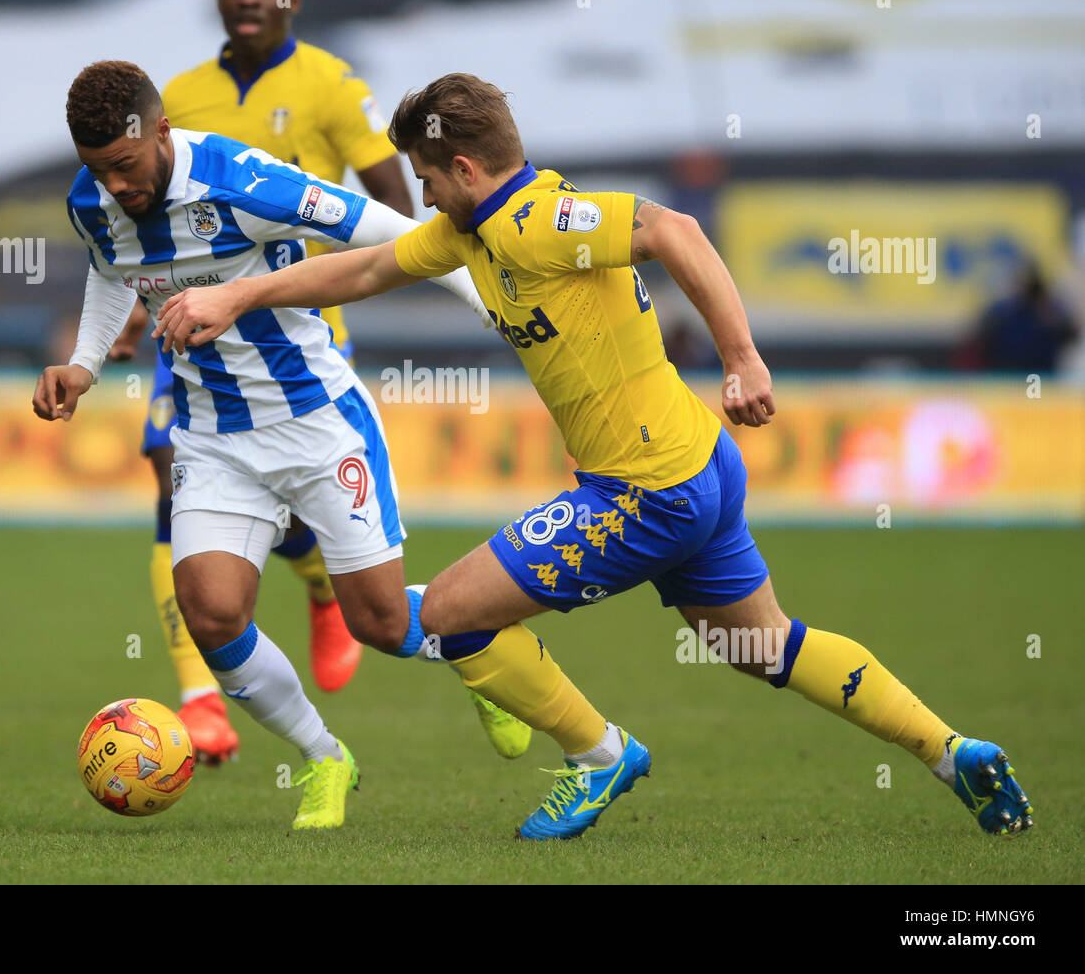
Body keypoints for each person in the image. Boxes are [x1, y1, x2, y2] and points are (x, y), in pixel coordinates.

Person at [154, 72, 1035, 839]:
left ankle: (599, 754)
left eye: (426, 179)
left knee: (456, 616)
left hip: (646, 490)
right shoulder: (470, 232)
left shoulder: (540, 219)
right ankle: (950, 752)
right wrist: (238, 293)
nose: (421, 198)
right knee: (766, 645)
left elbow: (676, 230)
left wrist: (743, 358)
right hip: (699, 467)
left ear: (465, 169)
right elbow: (359, 271)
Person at [34, 61, 524, 829]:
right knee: (213, 611)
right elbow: (111, 272)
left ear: (160, 132)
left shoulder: (242, 180)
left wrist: (482, 295)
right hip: (213, 438)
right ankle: (324, 756)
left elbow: (383, 228)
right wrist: (83, 364)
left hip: (317, 423)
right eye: (97, 170)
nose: (115, 187)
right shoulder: (92, 201)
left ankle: (474, 645)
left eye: (126, 167)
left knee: (385, 623)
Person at [121, 0, 421, 763]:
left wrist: (405, 259)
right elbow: (144, 217)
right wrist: (137, 306)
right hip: (192, 337)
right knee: (167, 472)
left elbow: (387, 192)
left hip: (296, 331)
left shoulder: (329, 82)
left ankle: (324, 584)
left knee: (288, 498)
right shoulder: (178, 95)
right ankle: (198, 694)